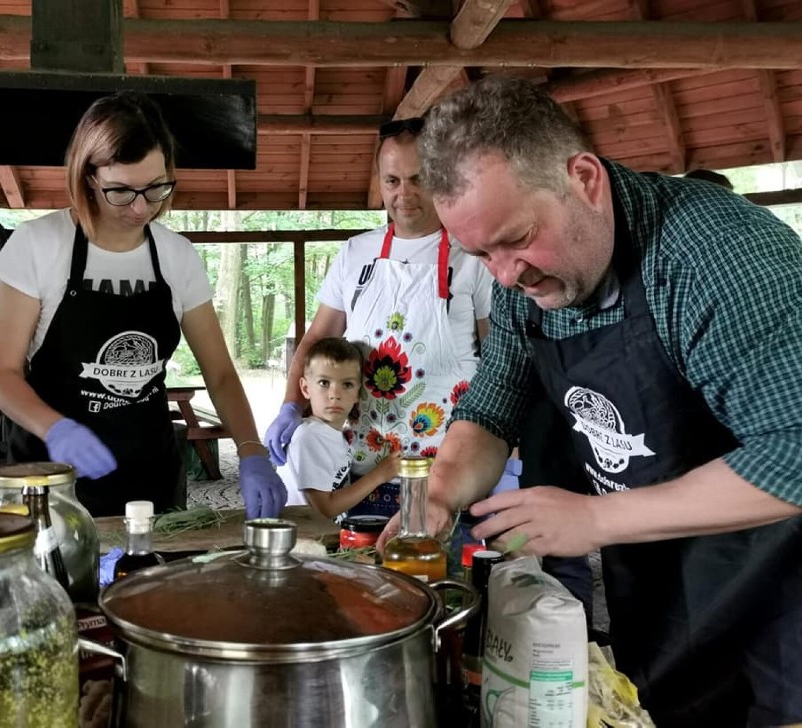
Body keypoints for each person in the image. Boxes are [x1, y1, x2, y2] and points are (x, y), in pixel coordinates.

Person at [375, 76, 802, 727]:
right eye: (479, 253)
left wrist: (599, 521)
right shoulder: (525, 280)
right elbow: (491, 409)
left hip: (781, 586)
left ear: (585, 178)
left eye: (517, 239)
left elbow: (794, 453)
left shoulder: (720, 258)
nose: (506, 275)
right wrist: (438, 494)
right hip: (661, 574)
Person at [0, 91, 286, 520]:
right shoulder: (38, 245)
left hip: (148, 477)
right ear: (88, 177)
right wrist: (57, 428)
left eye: (156, 187)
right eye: (121, 191)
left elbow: (218, 372)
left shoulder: (177, 255)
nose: (142, 207)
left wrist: (252, 450)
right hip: (51, 479)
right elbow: (0, 374)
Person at [264, 117, 493, 518]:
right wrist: (289, 405)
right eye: (392, 181)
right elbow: (316, 340)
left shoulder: (473, 256)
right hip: (360, 469)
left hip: (445, 470)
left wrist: (505, 443)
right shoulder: (355, 253)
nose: (404, 194)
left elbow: (497, 358)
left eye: (417, 179)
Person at [278, 336, 400, 519]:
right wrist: (380, 474)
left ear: (358, 393)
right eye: (324, 383)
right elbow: (325, 509)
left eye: (347, 385)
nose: (335, 395)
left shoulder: (335, 436)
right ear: (305, 388)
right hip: (301, 540)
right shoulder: (308, 437)